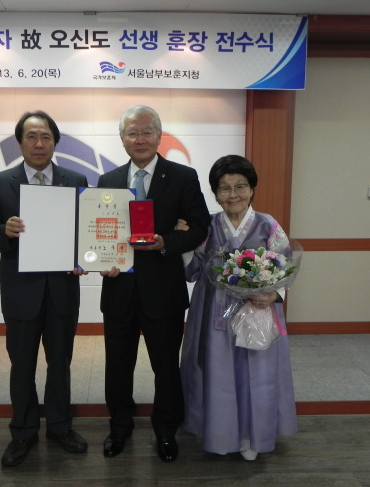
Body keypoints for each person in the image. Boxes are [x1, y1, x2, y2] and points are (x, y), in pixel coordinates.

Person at [97, 105, 211, 462]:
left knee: (165, 366)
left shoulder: (182, 176)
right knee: (118, 366)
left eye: (147, 132)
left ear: (159, 136)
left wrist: (166, 243)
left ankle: (165, 430)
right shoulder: (108, 181)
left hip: (163, 290)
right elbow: (100, 232)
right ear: (123, 139)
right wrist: (101, 260)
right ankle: (119, 427)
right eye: (133, 133)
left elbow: (200, 226)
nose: (140, 139)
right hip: (118, 290)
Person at [0, 110, 89, 467]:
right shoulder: (0, 182)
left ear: (55, 142)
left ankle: (59, 426)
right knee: (21, 364)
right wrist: (4, 232)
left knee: (61, 364)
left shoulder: (75, 178)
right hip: (21, 291)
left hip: (63, 289)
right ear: (20, 142)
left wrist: (84, 258)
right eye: (31, 137)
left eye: (46, 137)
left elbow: (86, 231)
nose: (39, 144)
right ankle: (23, 432)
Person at [179, 154, 297, 461]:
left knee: (255, 374)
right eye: (225, 188)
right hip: (212, 312)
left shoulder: (268, 225)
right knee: (217, 374)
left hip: (257, 310)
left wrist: (274, 294)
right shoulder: (206, 225)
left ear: (252, 189)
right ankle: (220, 434)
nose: (233, 195)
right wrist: (183, 241)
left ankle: (251, 436)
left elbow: (283, 264)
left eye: (240, 186)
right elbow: (192, 271)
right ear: (215, 193)